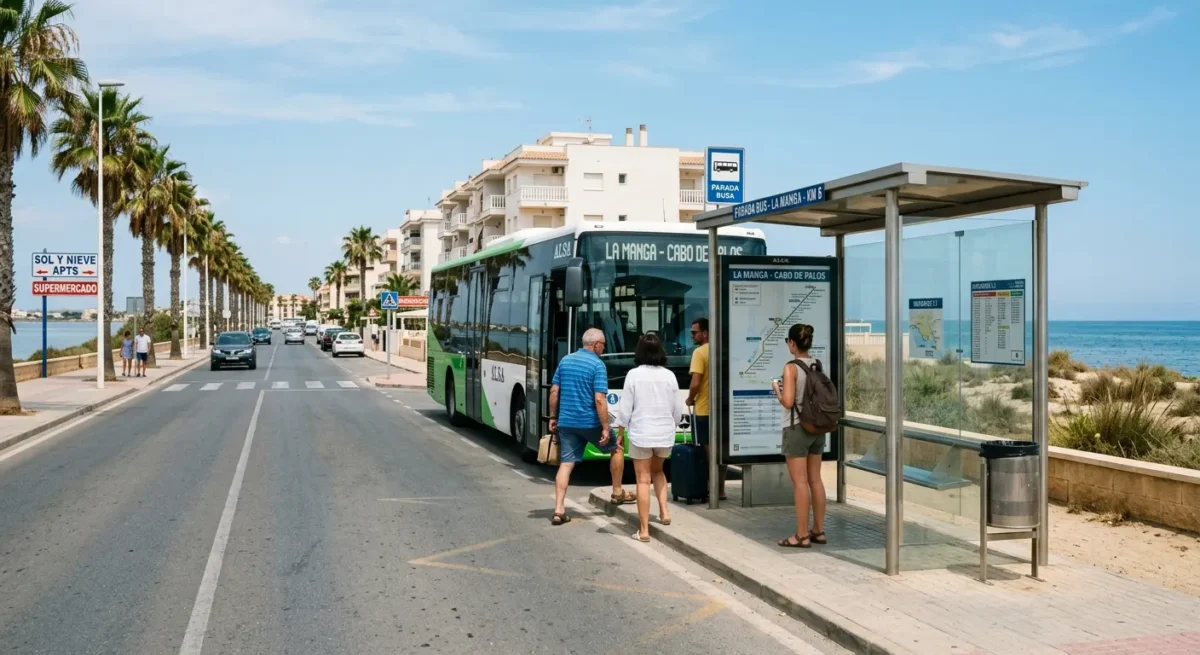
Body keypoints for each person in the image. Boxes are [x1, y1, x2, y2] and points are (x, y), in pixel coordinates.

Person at [549, 327, 634, 525]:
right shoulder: (597, 365)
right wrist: (605, 427)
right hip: (590, 422)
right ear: (596, 345)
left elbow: (554, 390)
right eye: (603, 345)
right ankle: (617, 492)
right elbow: (599, 399)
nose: (603, 349)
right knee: (616, 448)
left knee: (566, 464)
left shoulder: (566, 360)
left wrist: (553, 416)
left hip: (567, 422)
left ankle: (559, 509)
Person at [613, 334, 679, 542]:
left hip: (641, 433)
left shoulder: (633, 375)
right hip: (664, 433)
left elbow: (625, 409)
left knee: (643, 479)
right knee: (658, 471)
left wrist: (620, 431)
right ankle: (665, 512)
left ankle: (643, 530)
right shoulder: (670, 376)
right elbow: (677, 409)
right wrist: (671, 426)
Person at [771, 323, 827, 549]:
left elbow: (788, 402)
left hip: (796, 429)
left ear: (792, 343)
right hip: (817, 429)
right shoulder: (817, 364)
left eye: (788, 342)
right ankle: (818, 531)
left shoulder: (791, 367)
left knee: (800, 483)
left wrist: (777, 387)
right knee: (816, 480)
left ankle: (801, 535)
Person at [686, 318, 725, 499]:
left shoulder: (699, 352)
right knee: (721, 451)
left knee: (707, 452)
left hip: (703, 410)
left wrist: (689, 399)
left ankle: (709, 489)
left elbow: (695, 382)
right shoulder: (722, 349)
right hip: (722, 409)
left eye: (695, 332)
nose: (692, 335)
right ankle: (721, 490)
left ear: (705, 333)